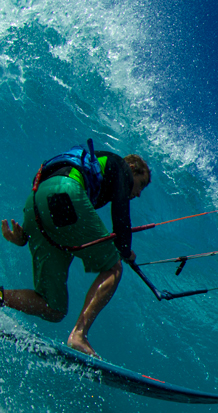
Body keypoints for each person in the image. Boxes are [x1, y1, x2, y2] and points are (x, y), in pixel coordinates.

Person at [1, 146, 151, 358]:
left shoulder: (90, 167)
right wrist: (125, 252)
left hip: (36, 204)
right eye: (140, 184)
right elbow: (120, 218)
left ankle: (0, 296)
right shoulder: (119, 165)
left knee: (54, 308)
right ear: (132, 168)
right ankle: (79, 335)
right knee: (114, 268)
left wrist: (23, 237)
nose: (138, 193)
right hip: (66, 194)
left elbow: (48, 196)